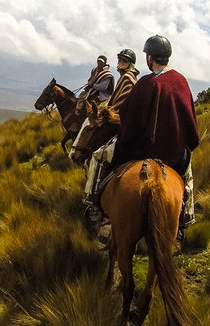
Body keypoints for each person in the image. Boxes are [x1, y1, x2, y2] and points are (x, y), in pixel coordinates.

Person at [110, 35, 199, 235]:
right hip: (174, 155)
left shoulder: (145, 83)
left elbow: (129, 119)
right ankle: (186, 214)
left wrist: (126, 140)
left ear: (150, 57)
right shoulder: (181, 81)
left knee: (106, 162)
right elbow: (189, 120)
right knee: (186, 176)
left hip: (142, 152)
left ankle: (96, 202)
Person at [71, 49, 138, 164]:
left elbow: (115, 98)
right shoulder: (98, 71)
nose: (120, 63)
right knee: (82, 97)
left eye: (124, 61)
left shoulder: (127, 78)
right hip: (99, 96)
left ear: (130, 64)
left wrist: (95, 87)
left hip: (105, 98)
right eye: (120, 60)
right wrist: (90, 84)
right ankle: (77, 117)